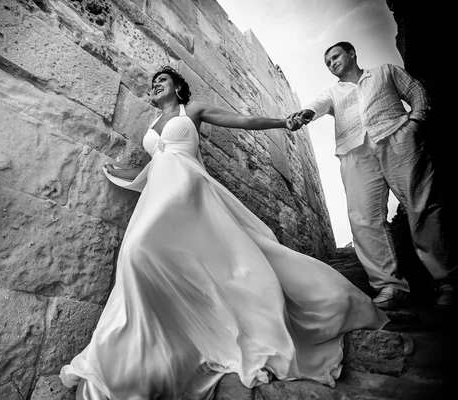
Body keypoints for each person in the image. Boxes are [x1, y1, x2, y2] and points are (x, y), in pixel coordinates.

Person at [59, 65, 389, 399]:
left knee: (139, 251)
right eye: (154, 82)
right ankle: (151, 352)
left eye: (163, 80)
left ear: (178, 88)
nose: (156, 84)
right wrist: (119, 171)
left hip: (188, 189)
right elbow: (153, 165)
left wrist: (282, 122)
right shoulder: (151, 125)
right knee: (139, 257)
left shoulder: (193, 111)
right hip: (159, 192)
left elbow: (241, 121)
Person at [291, 41, 455, 310]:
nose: (332, 63)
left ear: (352, 53)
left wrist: (415, 122)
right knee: (363, 218)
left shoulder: (384, 72)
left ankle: (448, 282)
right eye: (327, 62)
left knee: (421, 205)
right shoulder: (333, 92)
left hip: (396, 136)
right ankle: (390, 287)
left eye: (335, 56)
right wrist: (306, 114)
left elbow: (416, 92)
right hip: (354, 151)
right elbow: (317, 105)